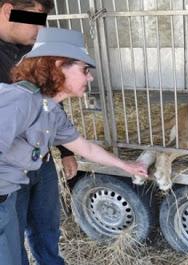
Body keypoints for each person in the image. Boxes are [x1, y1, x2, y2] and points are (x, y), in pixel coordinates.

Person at [0, 27, 148, 265]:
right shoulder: (20, 100)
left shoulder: (51, 109)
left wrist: (125, 165)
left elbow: (85, 148)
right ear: (59, 66)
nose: (90, 78)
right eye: (84, 70)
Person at [0, 1, 81, 264]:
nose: (42, 28)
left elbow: (51, 102)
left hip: (42, 161)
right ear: (8, 10)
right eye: (36, 18)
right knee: (11, 240)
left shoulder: (33, 52)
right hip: (9, 174)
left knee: (46, 228)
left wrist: (66, 150)